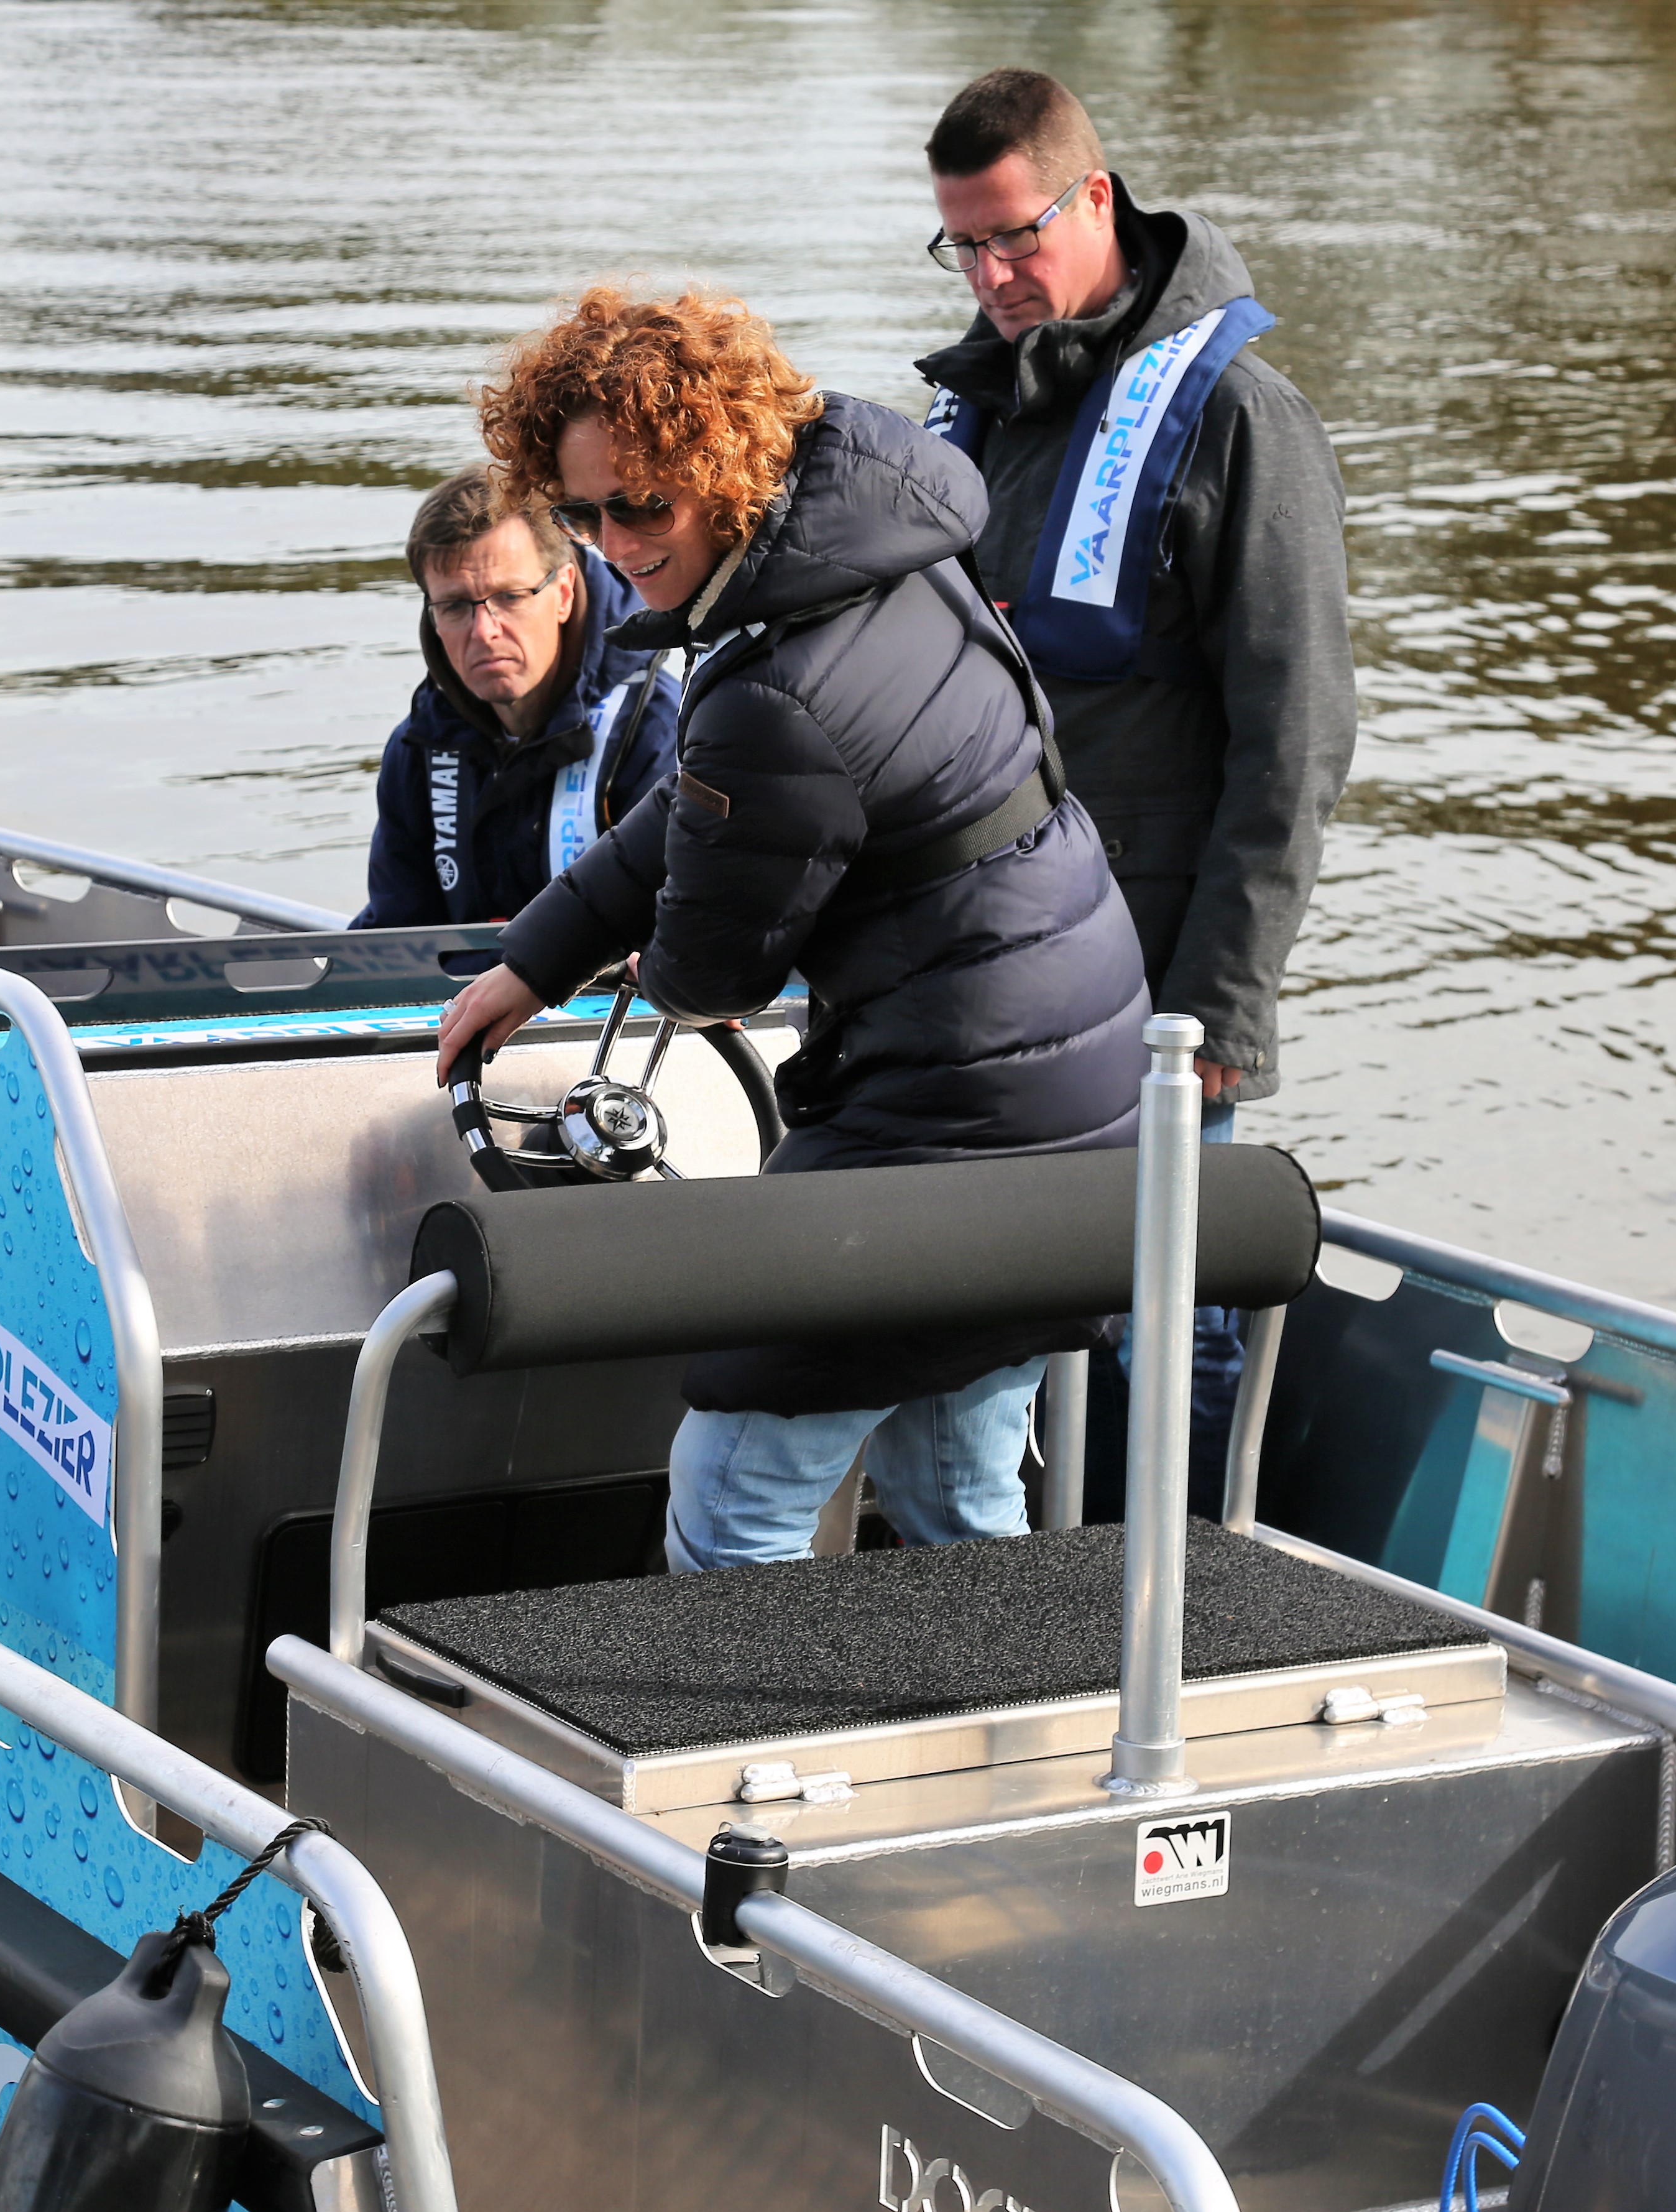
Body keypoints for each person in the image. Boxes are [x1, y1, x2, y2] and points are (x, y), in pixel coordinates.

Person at [436, 287, 1149, 1572]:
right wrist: (538, 954)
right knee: (958, 1486)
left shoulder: (776, 687)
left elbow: (714, 977)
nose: (614, 544)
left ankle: (739, 1766)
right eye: (587, 511)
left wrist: (661, 957)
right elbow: (702, 800)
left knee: (735, 1489)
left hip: (951, 1114)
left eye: (644, 504)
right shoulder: (875, 541)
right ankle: (994, 1754)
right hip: (1080, 1076)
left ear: (722, 469)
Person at [914, 69, 1356, 1460]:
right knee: (1008, 1312)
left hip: (1154, 993)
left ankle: (1176, 1619)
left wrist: (1223, 1015)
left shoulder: (1242, 418)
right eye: (963, 245)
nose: (990, 274)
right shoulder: (971, 413)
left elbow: (1295, 739)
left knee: (1166, 1325)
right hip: (986, 981)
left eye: (1015, 236)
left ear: (1094, 197)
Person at [352, 469, 679, 928]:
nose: (484, 632)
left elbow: (675, 943)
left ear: (563, 593)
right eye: (455, 606)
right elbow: (399, 937)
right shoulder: (417, 747)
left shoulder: (662, 735)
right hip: (465, 994)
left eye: (509, 597)